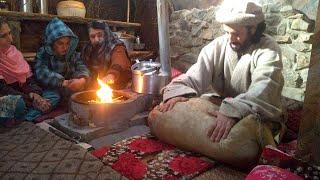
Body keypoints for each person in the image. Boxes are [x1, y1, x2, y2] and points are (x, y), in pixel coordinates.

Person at [155, 1, 284, 143]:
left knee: (246, 140)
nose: (230, 39)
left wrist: (233, 112)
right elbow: (194, 76)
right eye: (227, 32)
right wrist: (178, 91)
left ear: (253, 29)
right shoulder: (219, 45)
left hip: (257, 110)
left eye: (236, 34)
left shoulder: (269, 50)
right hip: (226, 105)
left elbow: (263, 89)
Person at [0, 18, 57, 125]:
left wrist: (35, 94)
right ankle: (29, 116)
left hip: (24, 95)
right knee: (18, 104)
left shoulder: (14, 52)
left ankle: (26, 118)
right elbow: (3, 90)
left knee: (53, 95)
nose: (10, 39)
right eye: (3, 36)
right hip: (7, 97)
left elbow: (29, 80)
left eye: (10, 33)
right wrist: (31, 99)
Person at [34, 18, 90, 101]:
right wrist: (63, 82)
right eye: (60, 43)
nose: (65, 47)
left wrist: (82, 79)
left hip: (70, 87)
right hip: (51, 87)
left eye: (67, 43)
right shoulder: (44, 53)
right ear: (52, 43)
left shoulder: (72, 54)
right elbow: (41, 72)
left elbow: (82, 66)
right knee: (52, 98)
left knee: (87, 92)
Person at [82, 21, 131, 90]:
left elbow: (119, 61)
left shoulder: (116, 46)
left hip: (118, 87)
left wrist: (111, 75)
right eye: (92, 36)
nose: (96, 39)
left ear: (106, 34)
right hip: (97, 88)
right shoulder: (88, 49)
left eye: (99, 35)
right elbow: (83, 66)